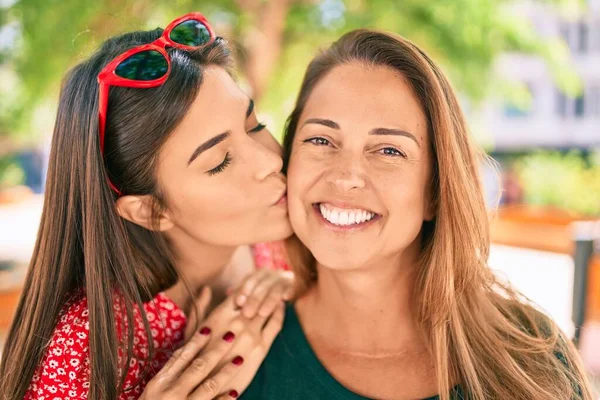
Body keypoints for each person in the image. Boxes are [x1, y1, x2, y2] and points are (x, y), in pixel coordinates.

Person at [242, 29, 595, 400]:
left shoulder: (532, 356)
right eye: (320, 140)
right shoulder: (237, 354)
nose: (346, 178)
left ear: (434, 191)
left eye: (389, 151)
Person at [0, 12, 294, 400]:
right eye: (220, 161)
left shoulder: (274, 243)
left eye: (254, 124)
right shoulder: (89, 346)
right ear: (151, 211)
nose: (270, 160)